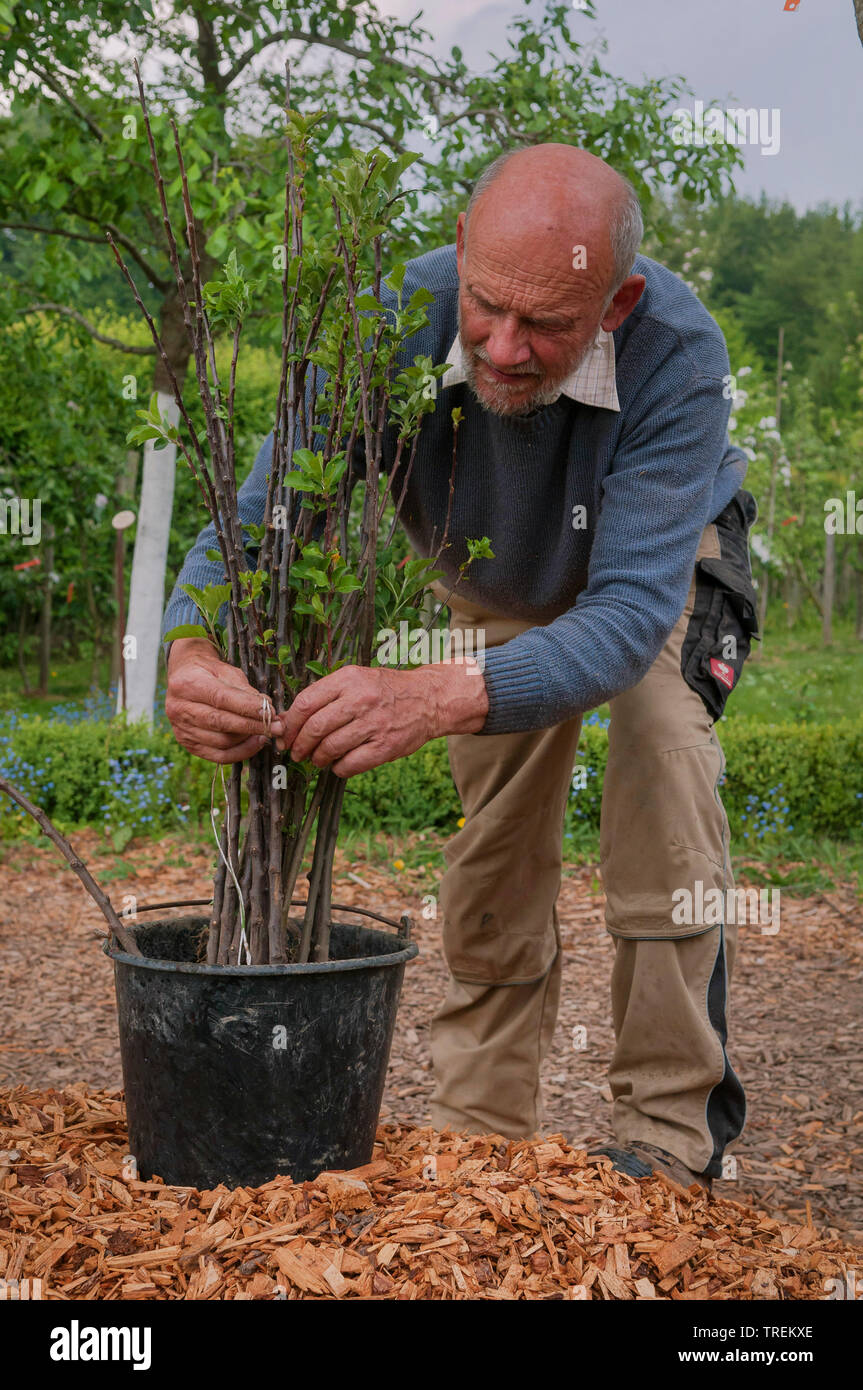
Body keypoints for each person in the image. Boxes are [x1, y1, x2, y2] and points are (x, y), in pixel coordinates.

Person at [163, 144, 759, 1191]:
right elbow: (265, 514)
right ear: (461, 253)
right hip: (495, 576)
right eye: (485, 307)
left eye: (547, 326)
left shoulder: (676, 352)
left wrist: (433, 692)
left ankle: (668, 1137)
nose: (503, 346)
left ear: (615, 302)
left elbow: (621, 620)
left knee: (662, 757)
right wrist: (192, 643)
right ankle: (480, 1133)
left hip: (655, 575)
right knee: (497, 840)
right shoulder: (393, 318)